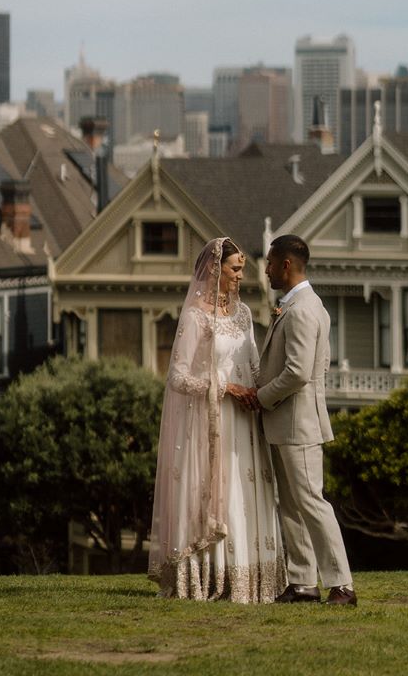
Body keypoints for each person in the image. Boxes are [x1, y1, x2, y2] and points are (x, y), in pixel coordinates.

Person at [148, 237, 286, 602]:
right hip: (213, 421)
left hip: (246, 421)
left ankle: (256, 581)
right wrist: (225, 388)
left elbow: (254, 366)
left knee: (248, 491)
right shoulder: (195, 316)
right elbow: (177, 377)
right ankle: (211, 578)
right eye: (235, 269)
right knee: (220, 498)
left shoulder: (242, 314)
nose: (241, 276)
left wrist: (268, 391)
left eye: (242, 269)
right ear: (215, 269)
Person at [254, 234, 357, 606]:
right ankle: (302, 583)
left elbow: (298, 372)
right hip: (289, 422)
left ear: (285, 265)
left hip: (298, 424)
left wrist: (260, 397)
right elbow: (320, 363)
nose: (264, 270)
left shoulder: (302, 309)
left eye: (269, 263)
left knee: (312, 501)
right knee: (292, 504)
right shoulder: (304, 305)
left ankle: (342, 584)